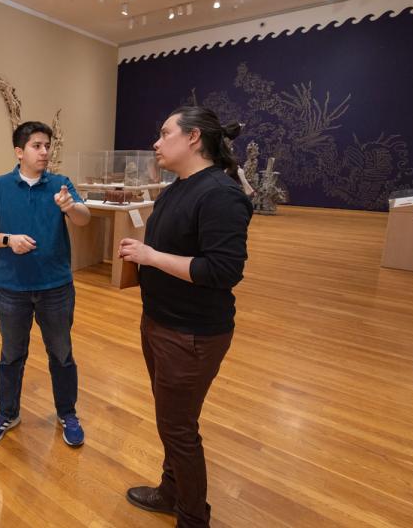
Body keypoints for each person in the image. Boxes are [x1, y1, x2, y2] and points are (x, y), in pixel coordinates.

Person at [118, 106, 253, 528]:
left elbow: (222, 270)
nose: (156, 143)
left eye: (164, 133)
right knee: (171, 419)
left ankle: (193, 517)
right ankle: (170, 490)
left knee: (178, 428)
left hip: (191, 334)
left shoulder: (220, 194)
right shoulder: (180, 187)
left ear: (193, 138)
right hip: (161, 322)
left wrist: (150, 256)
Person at [0, 121, 92, 447]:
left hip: (56, 287)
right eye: (37, 146)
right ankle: (7, 413)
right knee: (11, 355)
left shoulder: (61, 185)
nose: (44, 152)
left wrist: (71, 207)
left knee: (62, 354)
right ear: (19, 151)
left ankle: (67, 413)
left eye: (46, 146)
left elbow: (83, 218)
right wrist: (7, 239)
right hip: (10, 288)